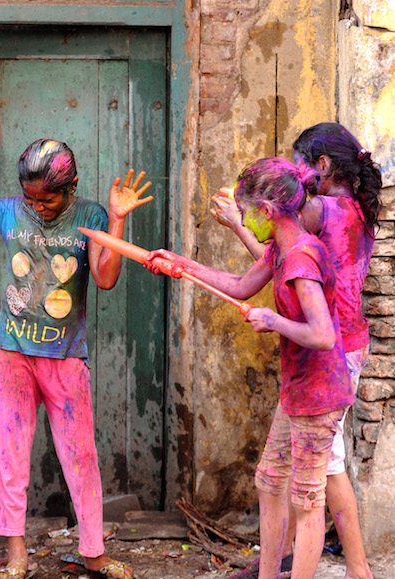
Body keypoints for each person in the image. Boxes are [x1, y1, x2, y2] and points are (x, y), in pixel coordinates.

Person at [0, 121, 153, 579]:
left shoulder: (91, 216)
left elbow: (107, 278)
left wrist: (117, 219)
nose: (37, 206)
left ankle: (93, 552)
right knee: (9, 454)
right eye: (31, 197)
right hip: (11, 354)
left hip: (66, 357)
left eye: (48, 198)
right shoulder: (9, 212)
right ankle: (17, 556)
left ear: (72, 186)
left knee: (81, 458)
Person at [146, 157, 356, 579]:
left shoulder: (301, 259)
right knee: (268, 480)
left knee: (308, 501)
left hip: (320, 394)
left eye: (244, 213)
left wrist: (273, 321)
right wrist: (182, 265)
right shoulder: (282, 247)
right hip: (298, 389)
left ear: (266, 212)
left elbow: (323, 336)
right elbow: (241, 286)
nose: (241, 219)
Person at [211, 123, 380, 579]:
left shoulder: (323, 210)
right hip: (340, 345)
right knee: (305, 468)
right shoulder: (350, 209)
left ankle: (353, 568)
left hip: (330, 350)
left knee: (322, 470)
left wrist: (243, 220)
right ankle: (295, 561)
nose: (298, 177)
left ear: (321, 166)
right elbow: (279, 258)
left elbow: (284, 253)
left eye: (301, 165)